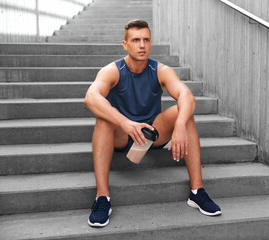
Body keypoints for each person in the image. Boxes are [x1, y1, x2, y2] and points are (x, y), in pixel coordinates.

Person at [84, 19, 221, 227]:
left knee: (184, 112)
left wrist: (181, 125)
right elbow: (91, 97)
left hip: (151, 132)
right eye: (136, 40)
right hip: (122, 134)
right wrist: (125, 123)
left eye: (146, 40)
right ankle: (102, 198)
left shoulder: (160, 70)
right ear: (125, 44)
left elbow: (186, 95)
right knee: (103, 119)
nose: (142, 45)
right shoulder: (112, 70)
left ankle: (197, 192)